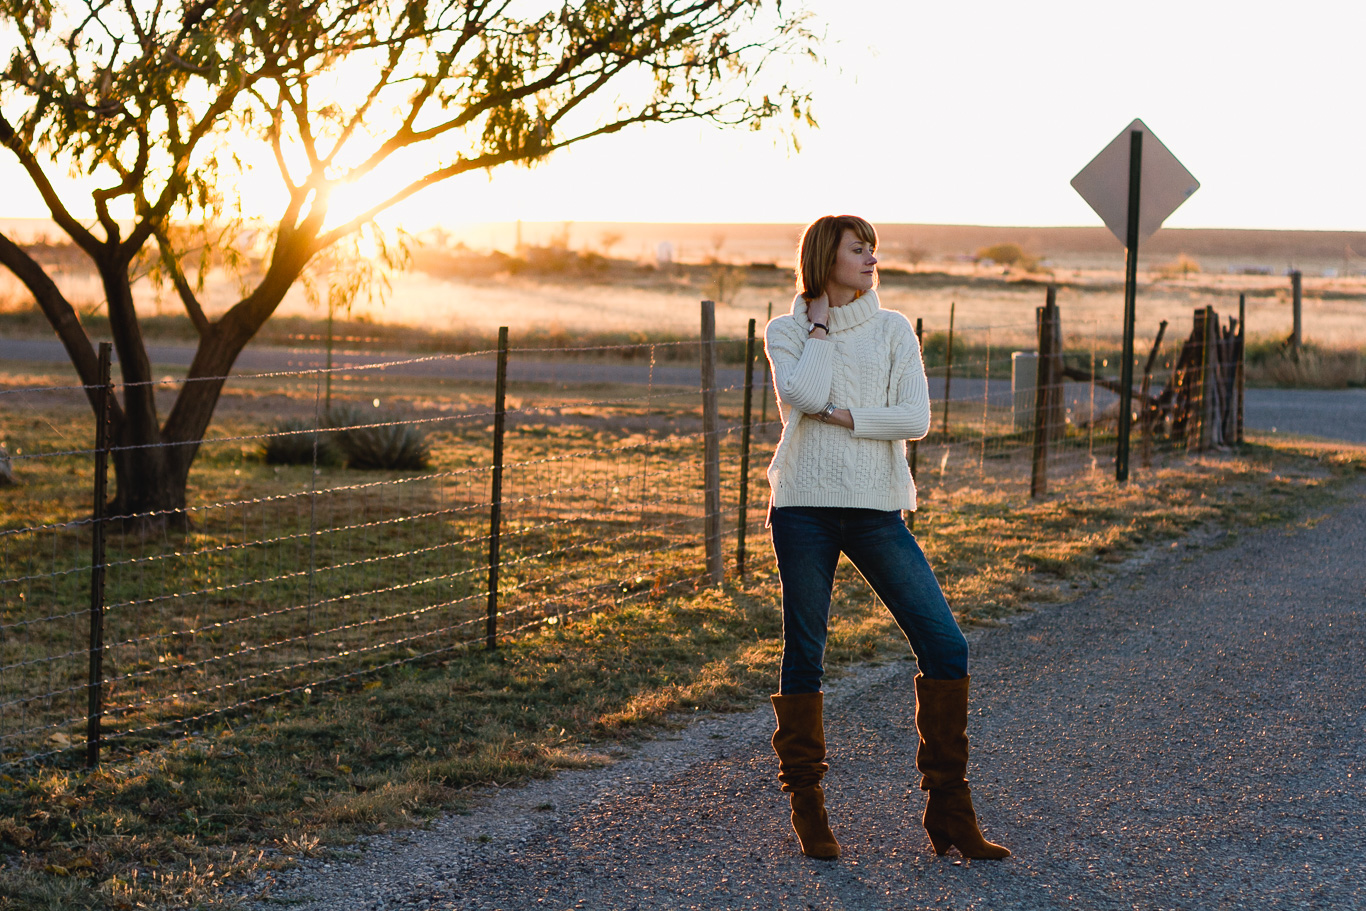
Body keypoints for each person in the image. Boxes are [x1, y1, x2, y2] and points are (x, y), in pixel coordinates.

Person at [763, 214, 1010, 861]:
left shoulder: (894, 329)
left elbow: (916, 417)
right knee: (807, 649)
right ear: (826, 258)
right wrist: (818, 325)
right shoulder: (786, 331)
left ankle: (950, 808)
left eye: (873, 247)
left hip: (876, 509)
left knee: (945, 643)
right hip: (804, 508)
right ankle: (808, 805)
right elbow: (804, 392)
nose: (873, 257)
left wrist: (847, 416)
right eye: (858, 248)